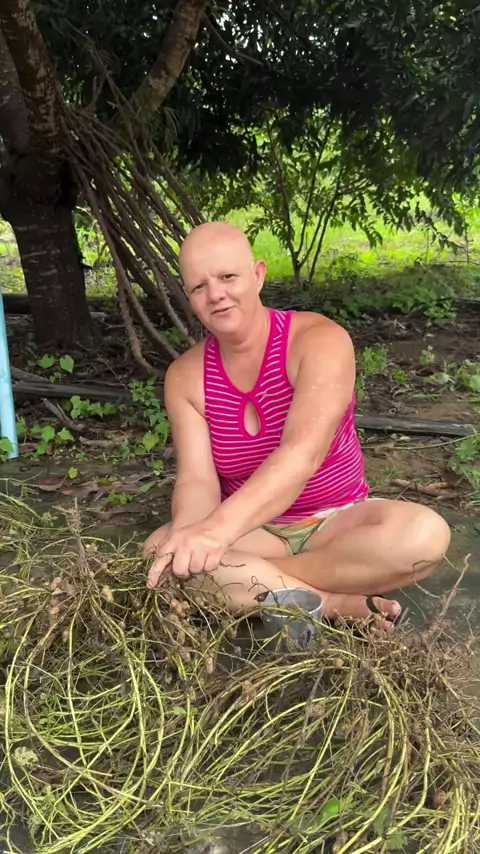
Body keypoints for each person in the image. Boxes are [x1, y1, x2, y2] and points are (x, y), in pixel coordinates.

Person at [144, 222, 451, 627]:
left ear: (258, 275)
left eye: (228, 276)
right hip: (255, 533)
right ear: (189, 297)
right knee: (160, 553)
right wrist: (189, 538)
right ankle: (330, 602)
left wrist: (216, 535)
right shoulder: (185, 377)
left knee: (424, 536)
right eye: (199, 286)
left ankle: (260, 588)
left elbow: (302, 453)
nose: (215, 294)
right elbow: (197, 481)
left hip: (335, 524)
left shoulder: (319, 340)